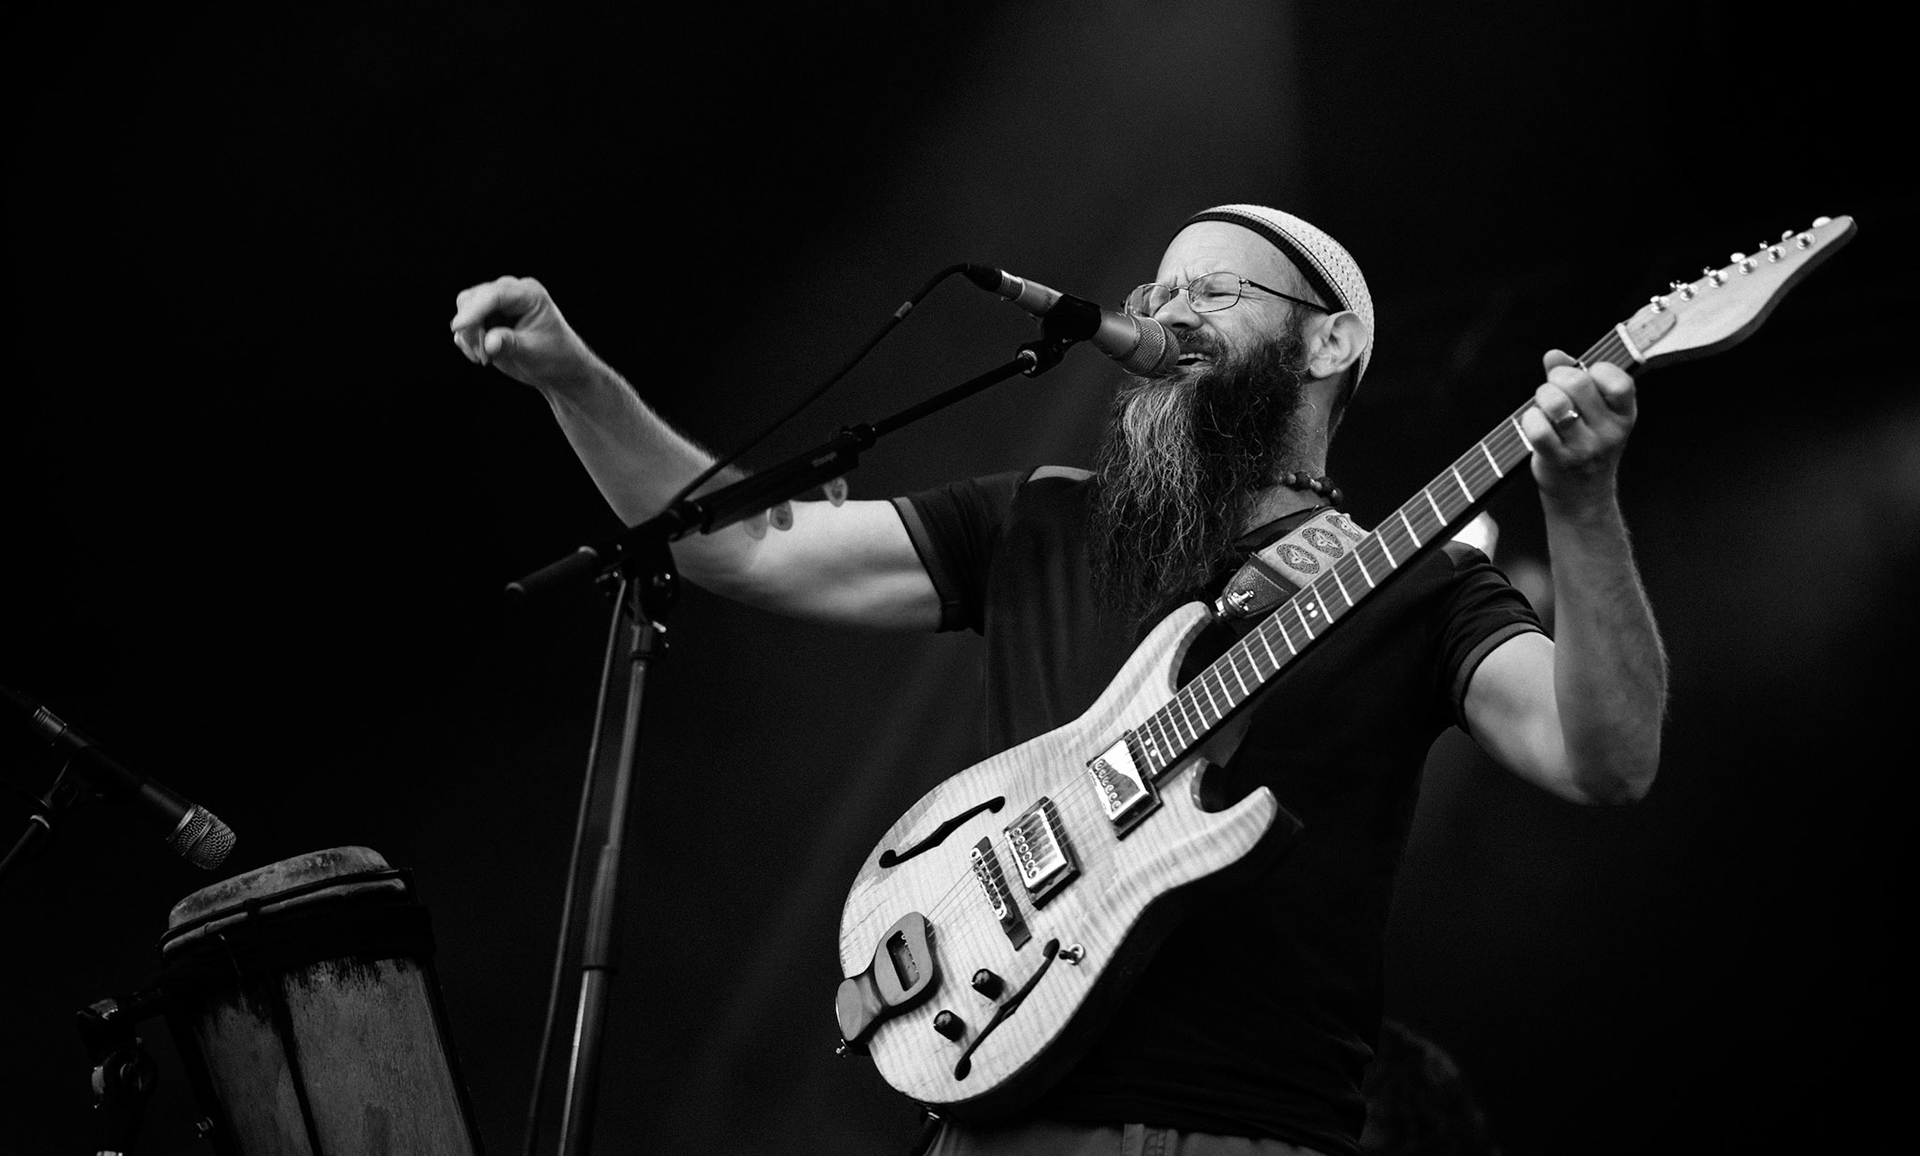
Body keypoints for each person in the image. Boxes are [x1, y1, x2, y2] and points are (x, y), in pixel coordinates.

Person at [450, 205, 1666, 1156]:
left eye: (1216, 289)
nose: (1170, 308)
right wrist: (573, 375)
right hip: (982, 1110)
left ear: (1330, 339)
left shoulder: (1414, 580)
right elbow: (740, 544)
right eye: (1160, 289)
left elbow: (1601, 754)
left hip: (1234, 1126)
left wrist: (1581, 501)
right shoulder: (1044, 518)